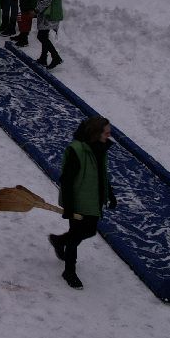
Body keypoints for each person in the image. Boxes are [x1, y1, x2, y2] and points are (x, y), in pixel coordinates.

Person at [49, 115, 115, 289]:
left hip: (92, 201)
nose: (109, 135)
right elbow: (67, 181)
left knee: (89, 231)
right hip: (78, 201)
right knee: (76, 235)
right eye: (106, 132)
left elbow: (101, 174)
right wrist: (69, 208)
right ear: (95, 132)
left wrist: (109, 194)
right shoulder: (76, 150)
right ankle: (69, 272)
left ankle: (59, 241)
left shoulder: (100, 148)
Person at [34, 0, 64, 68]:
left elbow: (47, 0)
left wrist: (36, 10)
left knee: (41, 36)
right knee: (44, 35)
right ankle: (43, 57)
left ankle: (56, 57)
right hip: (47, 12)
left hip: (49, 13)